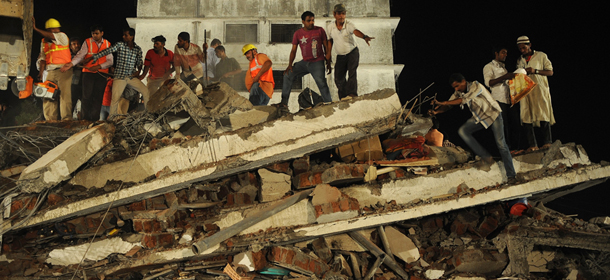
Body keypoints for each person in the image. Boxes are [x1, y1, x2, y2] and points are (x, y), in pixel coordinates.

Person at [430, 73, 516, 181]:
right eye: (454, 87)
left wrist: (443, 102)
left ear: (463, 81)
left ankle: (511, 175)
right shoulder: (458, 92)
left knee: (501, 144)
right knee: (463, 131)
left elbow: (463, 100)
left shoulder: (476, 86)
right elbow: (449, 105)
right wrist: (436, 111)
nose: (456, 89)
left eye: (457, 86)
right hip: (480, 117)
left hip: (493, 114)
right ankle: (486, 157)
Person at [87, 27, 148, 120]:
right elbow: (107, 51)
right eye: (123, 35)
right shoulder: (120, 45)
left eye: (126, 35)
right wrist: (94, 57)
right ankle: (111, 119)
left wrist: (139, 72)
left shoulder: (137, 49)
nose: (123, 36)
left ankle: (148, 114)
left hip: (131, 77)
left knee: (145, 91)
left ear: (132, 36)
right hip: (120, 77)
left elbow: (140, 62)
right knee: (115, 99)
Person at [62, 24, 113, 121]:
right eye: (93, 33)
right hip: (88, 73)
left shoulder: (107, 44)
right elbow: (80, 55)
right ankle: (84, 120)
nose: (95, 35)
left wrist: (98, 67)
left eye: (97, 33)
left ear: (102, 33)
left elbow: (110, 61)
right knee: (86, 97)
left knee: (98, 98)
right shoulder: (87, 42)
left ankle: (94, 119)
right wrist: (71, 64)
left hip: (101, 74)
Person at [282, 11, 332, 106]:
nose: (311, 22)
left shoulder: (320, 30)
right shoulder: (298, 33)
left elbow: (326, 47)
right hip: (304, 63)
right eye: (308, 21)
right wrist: (289, 65)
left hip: (317, 62)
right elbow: (293, 50)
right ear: (303, 21)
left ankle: (329, 103)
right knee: (287, 75)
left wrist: (328, 62)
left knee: (321, 83)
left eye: (313, 20)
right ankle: (284, 103)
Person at [326, 4, 374, 99]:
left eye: (343, 14)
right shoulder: (330, 27)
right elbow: (330, 40)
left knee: (352, 72)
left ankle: (352, 94)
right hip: (340, 55)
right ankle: (343, 97)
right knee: (338, 78)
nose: (341, 16)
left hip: (352, 52)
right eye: (339, 14)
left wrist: (364, 37)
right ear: (334, 14)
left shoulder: (348, 25)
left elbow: (355, 31)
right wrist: (328, 54)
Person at [516, 36, 554, 152]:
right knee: (526, 115)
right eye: (520, 48)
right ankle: (533, 145)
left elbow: (550, 72)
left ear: (530, 45)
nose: (522, 50)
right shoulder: (520, 60)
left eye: (524, 47)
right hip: (526, 91)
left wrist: (535, 71)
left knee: (543, 113)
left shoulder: (541, 56)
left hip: (539, 89)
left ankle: (547, 142)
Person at [33, 17, 73, 120]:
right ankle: (50, 120)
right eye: (55, 29)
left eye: (57, 29)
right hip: (50, 71)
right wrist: (41, 73)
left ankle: (66, 119)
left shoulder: (63, 36)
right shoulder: (44, 42)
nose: (57, 31)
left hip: (64, 70)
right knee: (48, 94)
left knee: (65, 96)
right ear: (49, 29)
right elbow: (42, 58)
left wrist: (36, 29)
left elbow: (51, 36)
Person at [483, 46, 521, 152]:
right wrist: (505, 77)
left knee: (515, 124)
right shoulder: (489, 66)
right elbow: (488, 83)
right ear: (496, 53)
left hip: (509, 99)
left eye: (506, 53)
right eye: (503, 52)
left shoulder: (503, 68)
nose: (505, 55)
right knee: (504, 126)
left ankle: (515, 149)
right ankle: (507, 150)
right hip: (498, 100)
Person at [69, 37, 83, 119]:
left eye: (78, 44)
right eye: (74, 44)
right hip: (73, 83)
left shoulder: (83, 55)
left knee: (84, 104)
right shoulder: (68, 56)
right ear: (70, 46)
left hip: (84, 82)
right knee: (71, 103)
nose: (76, 45)